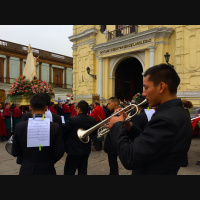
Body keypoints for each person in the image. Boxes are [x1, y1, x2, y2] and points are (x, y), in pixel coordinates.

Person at [106, 63, 193, 175]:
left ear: (161, 87)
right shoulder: (177, 112)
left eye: (146, 88)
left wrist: (117, 126)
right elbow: (151, 144)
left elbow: (130, 158)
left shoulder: (166, 118)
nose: (143, 93)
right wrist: (129, 127)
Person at [12, 94, 65, 175]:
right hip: (47, 168)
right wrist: (49, 161)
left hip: (27, 168)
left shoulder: (19, 127)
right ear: (46, 108)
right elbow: (59, 151)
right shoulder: (55, 127)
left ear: (30, 107)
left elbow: (15, 151)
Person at [62, 100, 96, 175]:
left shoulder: (72, 120)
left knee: (69, 171)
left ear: (79, 109)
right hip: (85, 149)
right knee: (83, 171)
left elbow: (64, 131)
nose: (75, 109)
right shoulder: (92, 120)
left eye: (76, 108)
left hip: (73, 150)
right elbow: (94, 133)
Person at [104, 96, 120, 175]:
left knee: (113, 162)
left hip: (113, 142)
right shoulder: (113, 112)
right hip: (113, 142)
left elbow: (118, 126)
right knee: (112, 163)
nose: (108, 105)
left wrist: (107, 126)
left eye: (109, 103)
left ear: (114, 103)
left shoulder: (118, 113)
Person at [180, 99, 193, 167]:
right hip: (186, 132)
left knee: (182, 148)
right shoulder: (186, 111)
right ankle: (183, 162)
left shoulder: (183, 111)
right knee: (184, 148)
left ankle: (184, 163)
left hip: (184, 132)